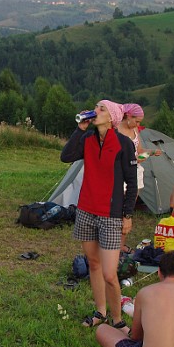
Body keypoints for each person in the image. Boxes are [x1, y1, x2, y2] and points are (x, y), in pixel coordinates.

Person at [61, 99, 138, 329]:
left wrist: (127, 215)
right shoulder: (87, 138)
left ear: (112, 117)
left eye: (101, 108)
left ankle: (118, 320)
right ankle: (100, 312)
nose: (95, 111)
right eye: (95, 107)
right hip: (86, 210)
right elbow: (66, 156)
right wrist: (79, 129)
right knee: (93, 264)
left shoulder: (124, 144)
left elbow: (132, 183)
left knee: (109, 274)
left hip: (111, 214)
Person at [117, 103, 160, 254]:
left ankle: (121, 245)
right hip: (121, 173)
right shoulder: (116, 130)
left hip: (135, 171)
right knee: (118, 209)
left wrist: (152, 152)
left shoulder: (134, 130)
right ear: (128, 116)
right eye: (136, 121)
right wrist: (133, 160)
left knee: (128, 209)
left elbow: (139, 151)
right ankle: (112, 244)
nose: (138, 124)